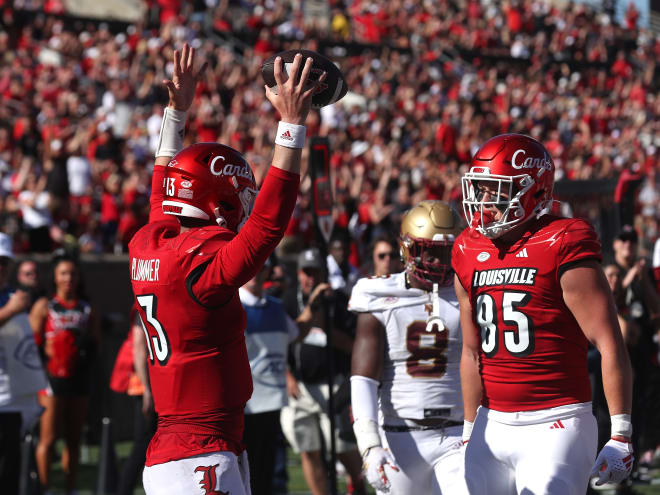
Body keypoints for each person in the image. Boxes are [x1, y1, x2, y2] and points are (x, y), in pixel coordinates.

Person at [128, 44, 324, 494]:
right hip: (198, 452)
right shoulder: (198, 263)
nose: (243, 205)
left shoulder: (153, 242)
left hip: (194, 445)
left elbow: (164, 183)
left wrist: (176, 113)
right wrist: (290, 127)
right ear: (216, 201)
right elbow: (266, 226)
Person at [452, 133, 634, 494]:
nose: (484, 201)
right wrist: (469, 428)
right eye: (481, 188)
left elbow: (609, 342)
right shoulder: (467, 248)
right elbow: (472, 352)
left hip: (556, 423)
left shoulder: (562, 240)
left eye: (495, 189)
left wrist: (621, 433)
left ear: (533, 190)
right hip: (491, 423)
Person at [349, 200, 465, 494]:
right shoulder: (377, 292)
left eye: (445, 252)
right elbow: (364, 377)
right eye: (430, 251)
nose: (439, 262)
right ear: (407, 249)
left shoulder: (469, 292)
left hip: (458, 433)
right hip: (401, 436)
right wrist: (369, 445)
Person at [281, 247, 365, 495]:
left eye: (315, 272)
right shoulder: (288, 300)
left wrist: (325, 326)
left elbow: (355, 346)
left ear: (324, 274)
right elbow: (284, 340)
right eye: (306, 273)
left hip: (333, 382)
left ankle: (357, 481)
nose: (310, 279)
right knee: (308, 448)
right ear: (298, 274)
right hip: (301, 385)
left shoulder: (340, 301)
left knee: (342, 445)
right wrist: (287, 376)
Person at [29, 252, 101, 494]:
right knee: (48, 439)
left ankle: (70, 488)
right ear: (55, 277)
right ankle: (45, 488)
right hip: (50, 379)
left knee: (74, 438)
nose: (68, 278)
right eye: (63, 273)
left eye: (72, 273)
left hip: (78, 379)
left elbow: (95, 343)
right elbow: (31, 345)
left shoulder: (87, 308)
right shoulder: (44, 306)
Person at [240, 257, 300, 495]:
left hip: (272, 402)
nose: (255, 272)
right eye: (251, 266)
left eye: (260, 267)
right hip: (245, 406)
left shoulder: (275, 307)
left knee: (266, 474)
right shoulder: (232, 306)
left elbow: (296, 333)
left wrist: (314, 308)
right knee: (246, 472)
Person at [0, 233, 46, 494]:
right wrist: (11, 311)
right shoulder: (13, 302)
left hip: (13, 399)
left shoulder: (12, 295)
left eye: (5, 263)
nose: (1, 268)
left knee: (9, 474)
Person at [109, 306, 156, 495]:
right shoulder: (144, 307)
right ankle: (123, 490)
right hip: (146, 386)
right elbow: (139, 346)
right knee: (142, 443)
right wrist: (147, 391)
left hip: (155, 386)